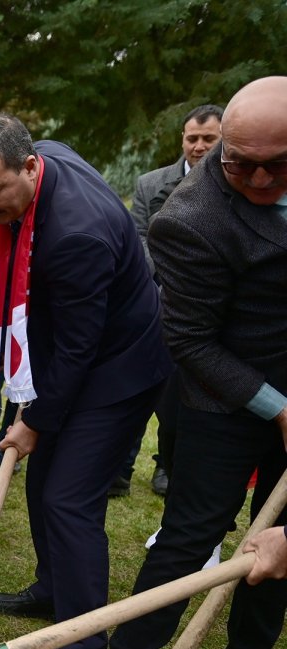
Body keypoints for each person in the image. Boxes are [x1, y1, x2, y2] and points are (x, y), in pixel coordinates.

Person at [0, 113, 173, 649]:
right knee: (41, 481)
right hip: (74, 353)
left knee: (69, 498)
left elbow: (79, 352)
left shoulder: (76, 235)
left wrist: (34, 420)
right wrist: (35, 419)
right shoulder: (43, 154)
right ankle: (53, 588)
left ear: (28, 168)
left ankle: (81, 646)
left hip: (117, 370)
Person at [105, 76, 287, 649]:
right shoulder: (189, 219)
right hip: (227, 396)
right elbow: (190, 340)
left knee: (276, 546)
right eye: (242, 163)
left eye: (279, 164)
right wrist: (276, 407)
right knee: (190, 535)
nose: (260, 177)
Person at [109, 103, 224, 499]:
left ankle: (168, 466)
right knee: (137, 384)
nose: (199, 146)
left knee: (180, 397)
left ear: (223, 138)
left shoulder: (239, 185)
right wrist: (165, 282)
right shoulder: (150, 184)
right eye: (192, 138)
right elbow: (138, 238)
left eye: (209, 139)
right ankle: (119, 469)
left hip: (207, 312)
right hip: (156, 301)